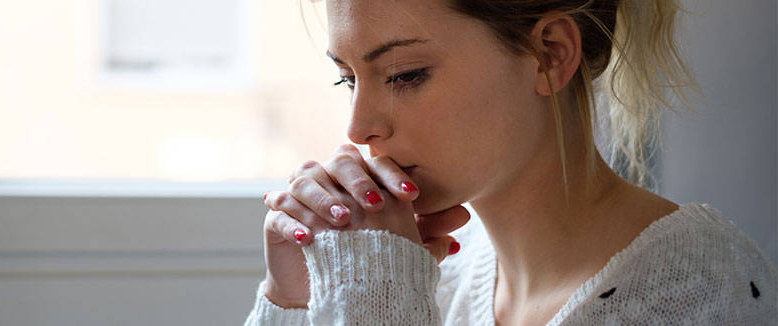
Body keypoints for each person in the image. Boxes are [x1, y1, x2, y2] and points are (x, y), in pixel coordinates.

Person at [243, 0, 776, 324]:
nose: (358, 129)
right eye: (348, 78)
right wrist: (292, 301)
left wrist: (378, 301)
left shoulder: (703, 291)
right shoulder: (436, 266)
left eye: (404, 74)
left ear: (550, 54)